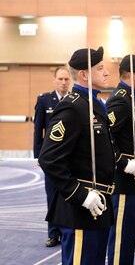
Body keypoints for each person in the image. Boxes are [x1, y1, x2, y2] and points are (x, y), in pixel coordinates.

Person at [38, 46, 116, 265]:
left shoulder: (93, 105)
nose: (107, 72)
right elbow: (49, 159)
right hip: (80, 208)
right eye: (100, 68)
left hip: (98, 206)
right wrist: (80, 194)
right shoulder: (72, 108)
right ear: (83, 74)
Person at [106, 54, 135, 264]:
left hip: (134, 180)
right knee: (121, 239)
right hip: (124, 180)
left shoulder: (133, 97)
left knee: (129, 236)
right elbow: (106, 138)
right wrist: (124, 163)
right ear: (132, 75)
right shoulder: (121, 99)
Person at [33, 66, 71, 247]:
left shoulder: (73, 100)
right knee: (52, 195)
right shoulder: (44, 100)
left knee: (68, 194)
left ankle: (66, 231)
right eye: (60, 79)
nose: (63, 83)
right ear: (54, 80)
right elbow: (38, 130)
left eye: (66, 79)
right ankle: (53, 233)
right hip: (51, 158)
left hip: (70, 157)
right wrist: (38, 156)